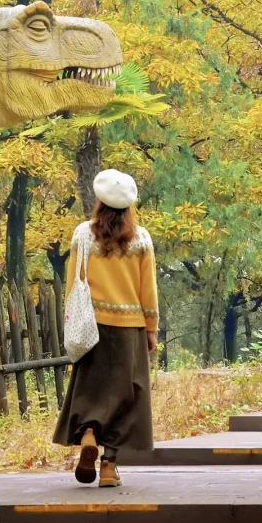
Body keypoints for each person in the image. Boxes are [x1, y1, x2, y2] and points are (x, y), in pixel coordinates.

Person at [53, 168, 158, 487]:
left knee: (91, 387)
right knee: (127, 393)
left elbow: (73, 284)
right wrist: (151, 328)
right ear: (129, 206)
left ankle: (87, 434)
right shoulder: (140, 239)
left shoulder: (82, 234)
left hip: (92, 325)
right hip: (129, 329)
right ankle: (109, 468)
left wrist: (70, 322)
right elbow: (148, 289)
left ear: (99, 201)